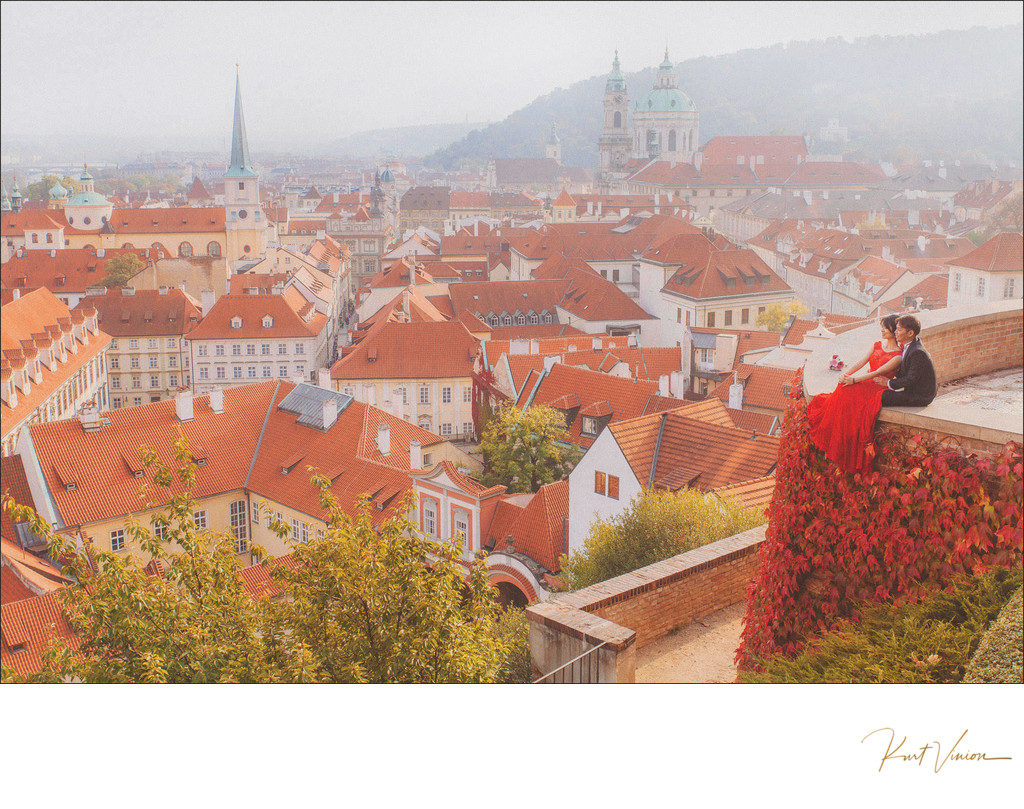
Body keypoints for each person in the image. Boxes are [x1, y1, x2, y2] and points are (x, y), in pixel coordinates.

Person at [806, 314, 903, 473]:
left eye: (886, 327)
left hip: (877, 386)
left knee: (848, 389)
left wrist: (854, 380)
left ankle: (843, 438)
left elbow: (877, 373)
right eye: (882, 327)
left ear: (894, 330)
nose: (882, 330)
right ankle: (837, 432)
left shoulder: (898, 356)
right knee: (843, 385)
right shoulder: (877, 345)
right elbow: (861, 361)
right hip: (866, 381)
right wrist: (846, 374)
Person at [881, 314, 937, 407]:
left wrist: (888, 382)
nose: (895, 332)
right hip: (913, 390)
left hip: (921, 396)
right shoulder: (910, 345)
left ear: (910, 333)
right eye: (896, 329)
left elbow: (911, 379)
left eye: (899, 330)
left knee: (881, 396)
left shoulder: (918, 352)